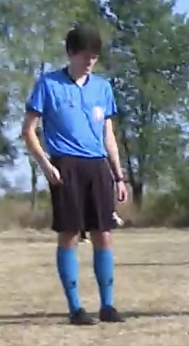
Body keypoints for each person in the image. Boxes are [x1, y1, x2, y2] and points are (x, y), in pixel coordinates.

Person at [21, 24, 128, 325]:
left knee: (103, 234)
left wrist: (118, 176)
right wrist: (45, 164)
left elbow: (108, 135)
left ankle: (108, 305)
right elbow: (28, 131)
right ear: (71, 53)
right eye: (85, 56)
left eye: (94, 56)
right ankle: (76, 308)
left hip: (97, 166)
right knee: (69, 234)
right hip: (65, 165)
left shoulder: (102, 88)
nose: (90, 61)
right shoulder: (49, 84)